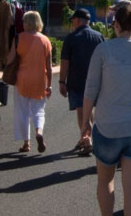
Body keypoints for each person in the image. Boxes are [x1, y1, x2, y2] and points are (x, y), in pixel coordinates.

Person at [81, 2, 131, 216]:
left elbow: (90, 90)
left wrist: (85, 126)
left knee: (105, 180)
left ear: (115, 24)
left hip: (109, 126)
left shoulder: (104, 50)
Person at [61, 8, 105, 156]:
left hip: (76, 80)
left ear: (78, 20)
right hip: (96, 80)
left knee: (81, 111)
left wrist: (62, 81)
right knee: (91, 110)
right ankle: (88, 137)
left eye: (73, 19)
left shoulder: (71, 38)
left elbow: (65, 61)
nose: (72, 22)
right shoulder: (99, 37)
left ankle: (86, 138)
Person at [8, 11, 54, 154]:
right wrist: (50, 85)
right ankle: (39, 131)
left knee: (23, 111)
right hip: (40, 80)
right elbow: (49, 66)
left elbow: (10, 59)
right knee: (39, 110)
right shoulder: (45, 40)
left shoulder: (19, 38)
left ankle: (26, 143)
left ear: (27, 22)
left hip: (22, 79)